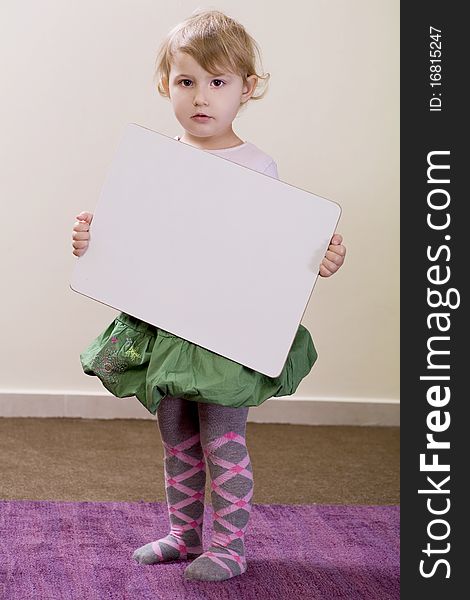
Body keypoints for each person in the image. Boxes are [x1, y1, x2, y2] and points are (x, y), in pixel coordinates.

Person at [72, 9, 346, 582]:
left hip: (227, 330)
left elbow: (276, 249)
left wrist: (319, 257)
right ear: (165, 84)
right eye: (186, 81)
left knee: (222, 432)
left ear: (247, 89)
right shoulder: (155, 163)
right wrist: (96, 239)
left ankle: (228, 544)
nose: (201, 96)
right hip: (168, 324)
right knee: (175, 428)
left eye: (218, 82)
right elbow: (136, 239)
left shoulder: (256, 164)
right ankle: (182, 533)